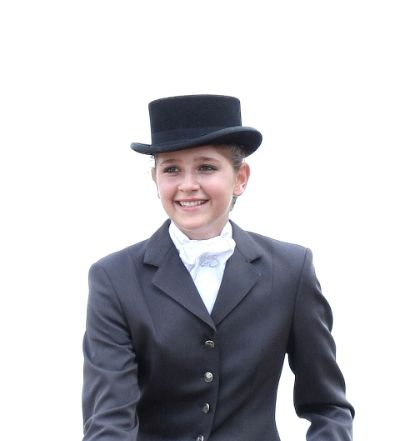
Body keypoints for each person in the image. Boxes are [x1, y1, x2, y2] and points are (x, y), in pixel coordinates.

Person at [82, 94, 354, 441]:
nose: (187, 185)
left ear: (241, 177)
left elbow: (328, 407)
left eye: (206, 167)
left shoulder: (291, 270)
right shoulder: (114, 278)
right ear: (155, 179)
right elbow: (108, 421)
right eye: (171, 169)